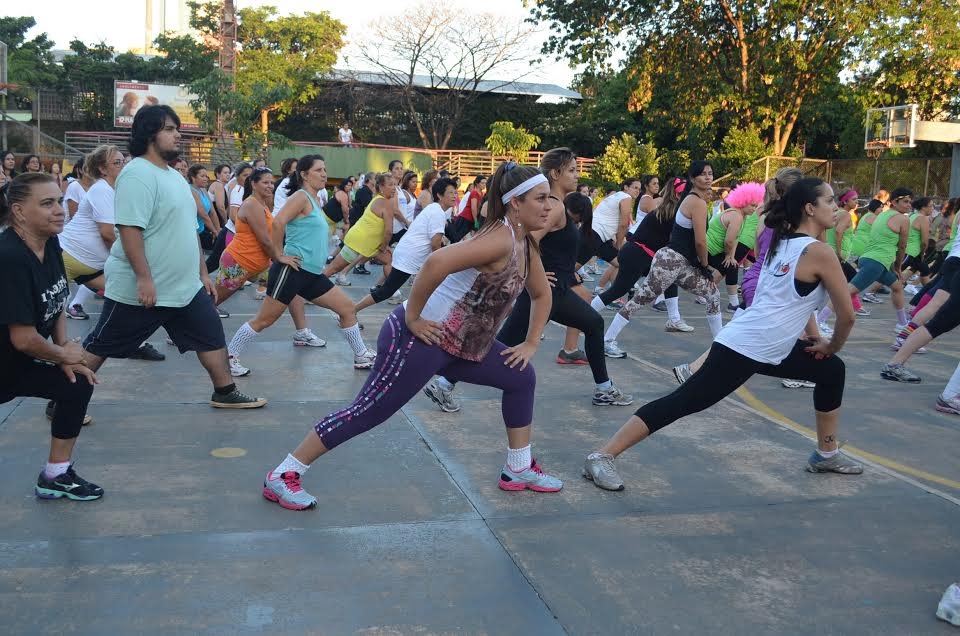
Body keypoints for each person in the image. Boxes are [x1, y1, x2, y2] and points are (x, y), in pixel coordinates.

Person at [260, 162, 563, 510]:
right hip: (421, 338)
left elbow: (542, 294)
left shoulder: (525, 244)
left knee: (520, 376)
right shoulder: (499, 239)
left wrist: (531, 342)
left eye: (549, 199)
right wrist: (414, 317)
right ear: (515, 203)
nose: (549, 207)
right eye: (541, 199)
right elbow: (435, 263)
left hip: (461, 343)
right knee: (368, 411)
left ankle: (518, 468)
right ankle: (283, 474)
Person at [584, 178, 862, 492]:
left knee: (831, 371)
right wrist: (832, 344)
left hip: (765, 345)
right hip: (745, 347)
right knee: (682, 402)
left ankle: (826, 454)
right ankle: (602, 456)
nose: (836, 207)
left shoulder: (784, 244)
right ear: (810, 208)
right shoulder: (819, 253)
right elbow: (847, 316)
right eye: (829, 201)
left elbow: (794, 301)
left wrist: (818, 342)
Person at [76, 105, 266, 410]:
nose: (178, 135)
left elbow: (188, 230)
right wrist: (144, 279)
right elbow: (129, 230)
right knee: (101, 344)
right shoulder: (137, 174)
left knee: (210, 333)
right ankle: (64, 398)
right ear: (149, 134)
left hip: (184, 287)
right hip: (142, 291)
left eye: (177, 128)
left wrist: (202, 274)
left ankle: (225, 391)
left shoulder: (174, 178)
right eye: (169, 129)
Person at [0, 173, 103, 500]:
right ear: (19, 212)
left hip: (16, 363)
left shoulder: (51, 243)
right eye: (47, 204)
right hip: (12, 356)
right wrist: (63, 355)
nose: (59, 210)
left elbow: (58, 300)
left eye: (59, 201)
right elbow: (23, 338)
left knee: (77, 383)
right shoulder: (10, 258)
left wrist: (63, 352)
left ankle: (55, 475)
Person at [225, 155, 376, 374]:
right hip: (292, 270)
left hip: (312, 274)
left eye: (324, 169)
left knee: (346, 309)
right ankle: (229, 356)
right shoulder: (301, 197)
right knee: (265, 319)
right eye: (318, 170)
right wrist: (278, 255)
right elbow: (278, 222)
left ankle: (361, 355)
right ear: (304, 174)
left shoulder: (314, 200)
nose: (324, 174)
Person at [57, 144, 169, 372]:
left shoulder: (119, 191)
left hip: (90, 266)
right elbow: (108, 234)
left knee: (130, 298)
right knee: (45, 314)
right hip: (67, 257)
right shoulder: (101, 189)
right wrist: (135, 264)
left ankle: (134, 343)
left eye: (123, 162)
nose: (123, 166)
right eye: (117, 163)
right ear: (102, 169)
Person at [601, 161, 723, 358]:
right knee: (639, 300)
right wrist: (704, 265)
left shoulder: (692, 199)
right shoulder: (697, 203)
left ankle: (720, 346)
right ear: (693, 179)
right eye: (703, 174)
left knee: (713, 295)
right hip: (670, 262)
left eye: (710, 173)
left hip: (678, 262)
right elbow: (700, 241)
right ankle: (607, 340)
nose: (708, 177)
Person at [590, 178, 692, 332]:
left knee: (671, 277)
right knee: (618, 290)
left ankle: (674, 319)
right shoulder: (668, 212)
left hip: (641, 252)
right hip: (637, 253)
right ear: (677, 195)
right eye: (683, 194)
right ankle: (587, 314)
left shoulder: (669, 210)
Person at [354, 176, 456, 317]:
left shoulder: (435, 209)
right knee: (386, 291)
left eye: (455, 192)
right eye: (451, 192)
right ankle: (352, 310)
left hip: (410, 255)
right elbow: (435, 244)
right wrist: (442, 266)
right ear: (439, 195)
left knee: (423, 291)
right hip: (409, 257)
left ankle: (417, 318)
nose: (454, 196)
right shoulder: (437, 212)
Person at [816, 187, 912, 335]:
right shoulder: (903, 219)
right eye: (905, 201)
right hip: (876, 262)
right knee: (847, 291)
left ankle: (902, 323)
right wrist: (898, 266)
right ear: (894, 202)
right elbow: (902, 246)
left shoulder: (882, 215)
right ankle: (820, 320)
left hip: (870, 259)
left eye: (910, 202)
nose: (908, 205)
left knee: (897, 287)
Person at [324, 173, 396, 288]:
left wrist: (384, 245)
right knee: (332, 269)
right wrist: (383, 247)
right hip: (358, 241)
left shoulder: (379, 198)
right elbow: (388, 231)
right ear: (381, 187)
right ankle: (309, 291)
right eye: (390, 185)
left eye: (395, 185)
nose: (394, 188)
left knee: (389, 260)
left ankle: (390, 292)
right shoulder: (385, 203)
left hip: (368, 243)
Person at [591, 178, 641, 292]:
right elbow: (623, 224)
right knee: (572, 268)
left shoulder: (617, 196)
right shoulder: (625, 197)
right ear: (626, 187)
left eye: (639, 189)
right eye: (635, 187)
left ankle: (610, 294)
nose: (637, 191)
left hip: (600, 236)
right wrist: (618, 244)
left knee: (620, 263)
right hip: (595, 234)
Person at [62, 158, 91, 223]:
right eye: (88, 166)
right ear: (80, 170)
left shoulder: (96, 186)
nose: (92, 169)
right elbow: (73, 216)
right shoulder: (74, 186)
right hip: (74, 226)